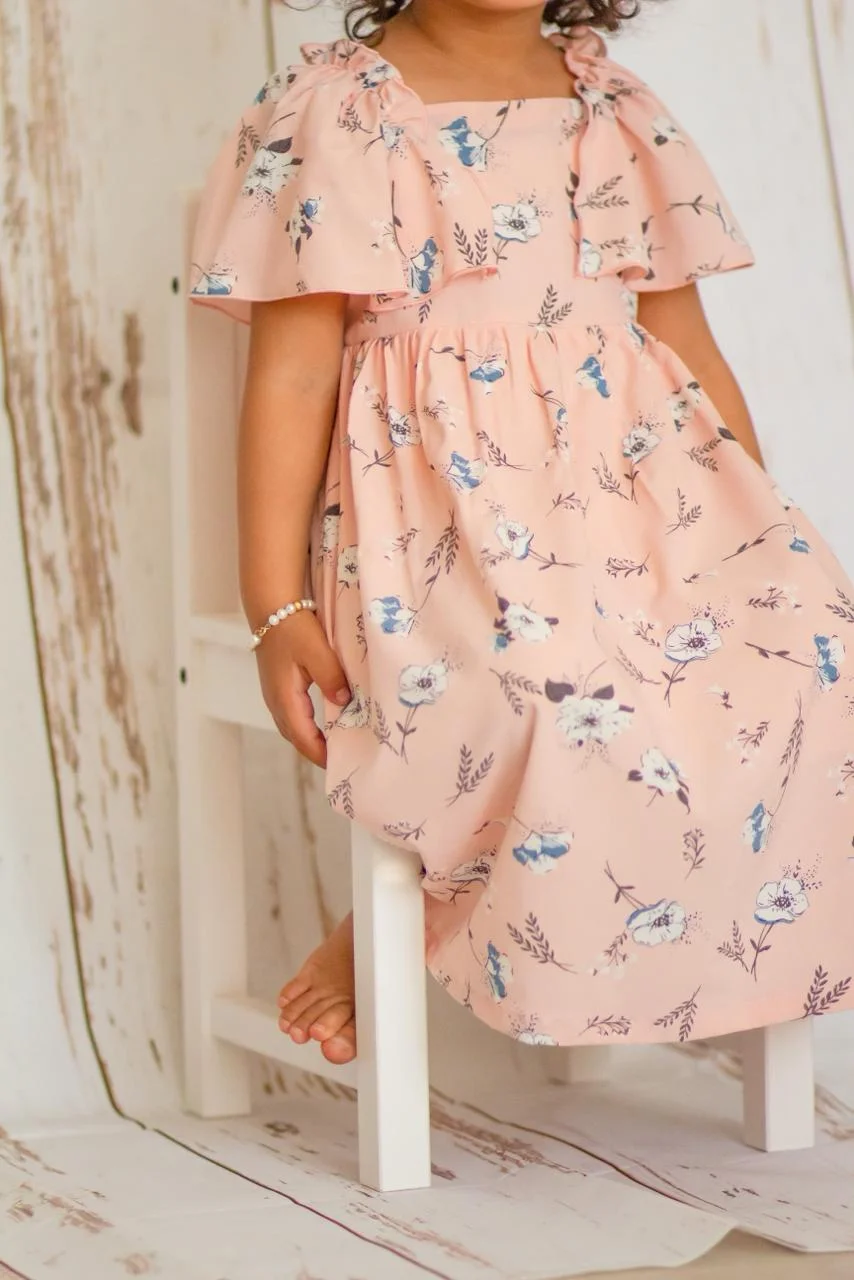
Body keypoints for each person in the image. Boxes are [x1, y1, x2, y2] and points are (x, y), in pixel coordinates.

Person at [190, 0, 854, 1067]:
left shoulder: (612, 106)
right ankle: (417, 907)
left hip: (638, 506)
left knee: (809, 656)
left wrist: (750, 533)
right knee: (548, 688)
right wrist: (274, 601)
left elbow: (685, 345)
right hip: (435, 523)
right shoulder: (339, 112)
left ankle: (716, 956)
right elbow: (294, 375)